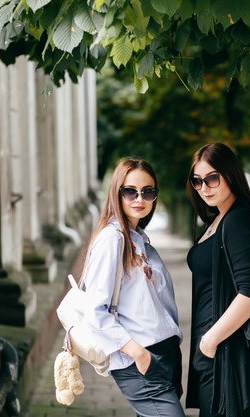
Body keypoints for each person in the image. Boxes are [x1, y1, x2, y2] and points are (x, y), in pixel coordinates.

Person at [79, 158, 185, 417]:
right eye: (130, 192)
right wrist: (138, 354)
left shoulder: (140, 240)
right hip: (139, 361)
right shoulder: (111, 240)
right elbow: (95, 310)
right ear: (117, 193)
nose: (140, 199)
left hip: (164, 355)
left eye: (148, 192)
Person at [185, 143, 250, 417]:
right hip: (213, 351)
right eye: (197, 181)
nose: (204, 187)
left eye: (212, 178)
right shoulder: (215, 220)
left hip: (226, 352)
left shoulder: (240, 219)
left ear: (230, 174)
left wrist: (210, 341)